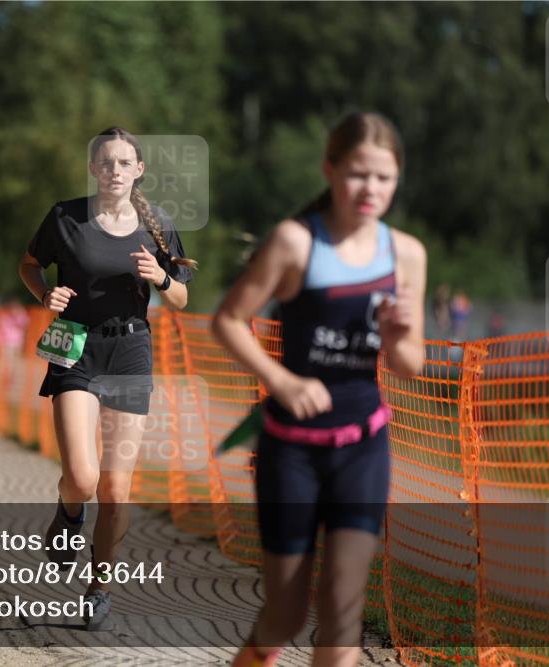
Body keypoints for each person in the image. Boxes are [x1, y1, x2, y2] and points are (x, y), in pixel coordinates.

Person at [212, 112, 426, 667]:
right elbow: (228, 320)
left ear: (397, 179)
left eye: (383, 177)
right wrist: (282, 381)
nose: (370, 189)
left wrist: (398, 339)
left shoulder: (406, 254)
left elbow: (411, 364)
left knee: (342, 611)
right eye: (357, 174)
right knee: (284, 615)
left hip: (363, 447)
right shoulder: (296, 242)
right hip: (292, 451)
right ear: (330, 170)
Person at [18, 127, 195, 630]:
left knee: (116, 488)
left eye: (124, 163)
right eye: (106, 162)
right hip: (73, 345)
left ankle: (100, 588)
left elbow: (181, 298)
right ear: (93, 169)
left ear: (138, 170)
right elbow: (29, 265)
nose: (114, 171)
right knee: (82, 477)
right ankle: (70, 511)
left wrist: (161, 279)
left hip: (129, 351)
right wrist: (45, 294)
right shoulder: (65, 217)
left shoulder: (157, 224)